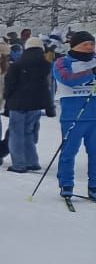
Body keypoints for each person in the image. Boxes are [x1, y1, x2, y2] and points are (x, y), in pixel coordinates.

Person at [50, 30, 96, 202]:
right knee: (69, 152)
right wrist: (91, 72)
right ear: (76, 45)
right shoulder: (63, 62)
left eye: (92, 44)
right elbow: (67, 79)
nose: (90, 47)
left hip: (94, 116)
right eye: (86, 44)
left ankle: (94, 187)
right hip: (73, 116)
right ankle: (66, 185)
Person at [2, 35, 54, 173]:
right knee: (29, 133)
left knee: (16, 134)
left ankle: (19, 164)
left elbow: (9, 85)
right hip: (35, 105)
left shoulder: (18, 64)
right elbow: (45, 87)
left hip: (18, 103)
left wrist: (6, 99)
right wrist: (49, 107)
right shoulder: (45, 66)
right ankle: (32, 161)